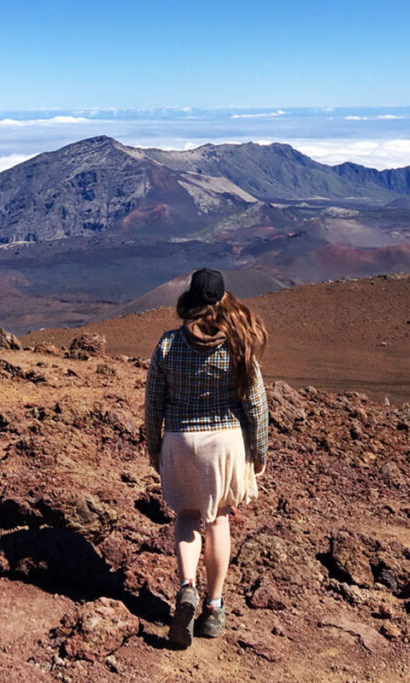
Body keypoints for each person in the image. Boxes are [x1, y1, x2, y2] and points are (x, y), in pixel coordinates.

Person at [144, 267, 269, 649]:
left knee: (186, 517)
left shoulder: (167, 345)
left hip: (180, 440)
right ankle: (213, 609)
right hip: (225, 443)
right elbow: (256, 406)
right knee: (217, 520)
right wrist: (259, 453)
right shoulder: (237, 346)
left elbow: (153, 406)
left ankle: (186, 587)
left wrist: (155, 448)